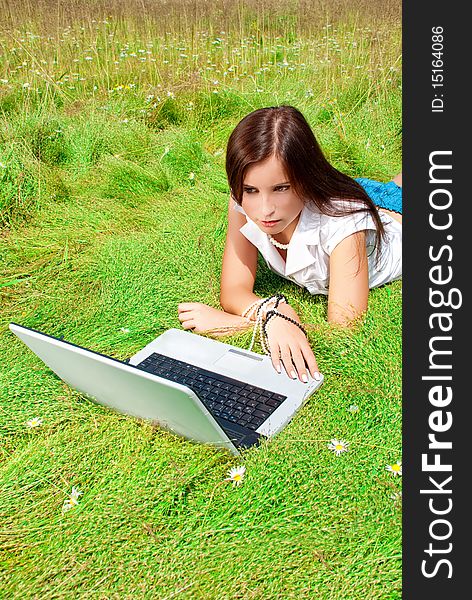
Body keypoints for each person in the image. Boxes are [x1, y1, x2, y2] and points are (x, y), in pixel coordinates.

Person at [178, 105, 402, 383]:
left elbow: (344, 329)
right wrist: (272, 311)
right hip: (349, 194)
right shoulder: (243, 203)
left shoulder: (345, 226)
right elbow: (233, 290)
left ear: (306, 180)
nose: (265, 209)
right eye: (251, 190)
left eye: (280, 188)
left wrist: (239, 325)